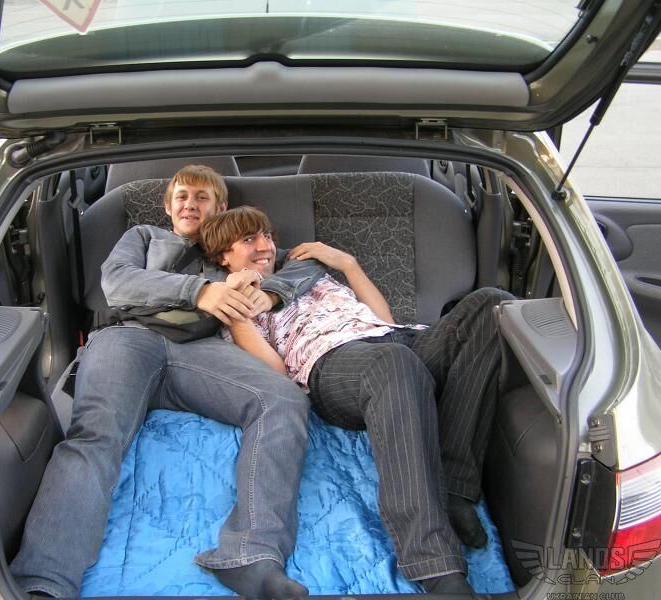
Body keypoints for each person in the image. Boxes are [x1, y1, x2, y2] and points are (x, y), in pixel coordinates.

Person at [11, 167, 323, 599]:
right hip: (128, 339)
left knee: (283, 401)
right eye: (181, 197)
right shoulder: (144, 236)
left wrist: (270, 292)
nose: (190, 204)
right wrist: (200, 291)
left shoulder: (234, 246)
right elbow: (116, 281)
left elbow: (306, 266)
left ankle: (252, 555)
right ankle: (45, 580)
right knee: (96, 435)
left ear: (221, 207)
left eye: (202, 197)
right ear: (168, 206)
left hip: (200, 351)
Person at [199, 206, 515, 595]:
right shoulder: (234, 305)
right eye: (249, 240)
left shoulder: (307, 275)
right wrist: (238, 309)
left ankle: (454, 486)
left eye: (266, 235)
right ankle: (435, 564)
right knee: (392, 362)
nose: (265, 245)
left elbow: (382, 319)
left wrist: (348, 264)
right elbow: (276, 373)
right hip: (331, 365)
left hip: (396, 340)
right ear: (223, 256)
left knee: (494, 305)